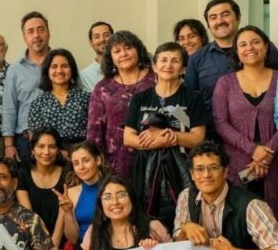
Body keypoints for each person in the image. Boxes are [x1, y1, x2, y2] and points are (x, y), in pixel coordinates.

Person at [124, 42, 207, 230]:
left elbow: (197, 137)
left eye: (175, 61)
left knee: (186, 219)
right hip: (145, 170)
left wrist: (167, 136)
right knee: (147, 224)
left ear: (183, 68)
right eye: (163, 60)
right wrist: (158, 142)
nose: (168, 65)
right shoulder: (140, 98)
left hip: (182, 170)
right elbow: (128, 137)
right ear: (154, 66)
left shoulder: (192, 98)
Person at [213, 26, 278, 216]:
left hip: (275, 162)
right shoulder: (225, 83)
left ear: (266, 47)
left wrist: (267, 153)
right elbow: (220, 123)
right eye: (243, 44)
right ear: (237, 52)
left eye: (255, 42)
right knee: (241, 217)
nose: (250, 47)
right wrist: (253, 150)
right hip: (238, 163)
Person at [185, 0, 278, 115]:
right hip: (212, 129)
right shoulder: (196, 59)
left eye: (225, 14)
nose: (220, 21)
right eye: (213, 18)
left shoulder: (263, 49)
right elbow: (190, 100)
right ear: (208, 24)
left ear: (238, 17)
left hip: (262, 126)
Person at [87, 30, 155, 177]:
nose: (123, 54)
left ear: (138, 50)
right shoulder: (103, 88)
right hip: (117, 162)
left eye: (128, 48)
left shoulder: (156, 78)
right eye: (117, 51)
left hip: (156, 156)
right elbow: (95, 131)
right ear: (110, 57)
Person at [73, 175, 170, 250]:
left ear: (131, 199)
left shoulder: (153, 227)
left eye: (121, 195)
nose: (115, 202)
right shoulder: (93, 232)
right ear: (101, 204)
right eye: (107, 197)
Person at [2, 11, 51, 166]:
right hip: (24, 141)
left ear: (49, 33)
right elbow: (9, 107)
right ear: (24, 38)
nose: (36, 35)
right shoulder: (15, 69)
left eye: (41, 29)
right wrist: (9, 145)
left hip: (57, 140)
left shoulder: (60, 63)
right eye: (30, 31)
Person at [52, 140, 108, 250]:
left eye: (86, 160)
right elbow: (73, 239)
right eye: (76, 163)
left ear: (98, 160)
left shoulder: (112, 188)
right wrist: (67, 212)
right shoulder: (71, 193)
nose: (81, 167)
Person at [28, 48, 90, 151]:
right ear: (47, 70)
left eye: (64, 66)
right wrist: (58, 153)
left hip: (81, 155)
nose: (59, 71)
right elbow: (35, 138)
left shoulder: (86, 98)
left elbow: (94, 132)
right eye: (54, 67)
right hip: (50, 155)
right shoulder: (38, 103)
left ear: (72, 69)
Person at [16, 128, 69, 248]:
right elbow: (29, 217)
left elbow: (64, 214)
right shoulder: (23, 174)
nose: (46, 152)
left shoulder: (67, 173)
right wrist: (41, 249)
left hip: (62, 242)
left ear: (58, 150)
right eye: (41, 146)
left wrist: (54, 247)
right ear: (33, 150)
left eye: (52, 147)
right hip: (33, 240)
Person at [79, 21, 114, 93]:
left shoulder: (125, 67)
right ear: (91, 43)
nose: (102, 39)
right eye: (97, 37)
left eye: (106, 35)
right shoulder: (84, 76)